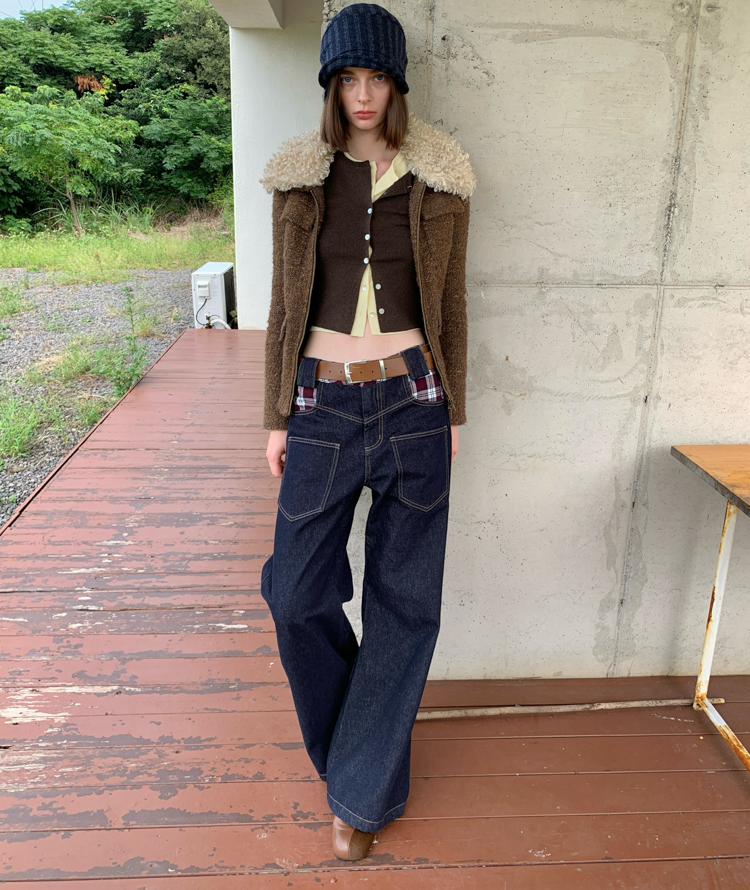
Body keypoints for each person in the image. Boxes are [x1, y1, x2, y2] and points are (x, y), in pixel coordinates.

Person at [259, 2, 474, 861]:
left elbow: (452, 304)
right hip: (321, 403)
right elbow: (283, 306)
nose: (361, 93)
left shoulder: (440, 181)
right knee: (293, 594)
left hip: (415, 398)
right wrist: (275, 415)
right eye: (347, 77)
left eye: (376, 76)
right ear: (329, 86)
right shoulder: (300, 179)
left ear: (396, 85)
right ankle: (358, 741)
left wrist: (453, 411)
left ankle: (360, 792)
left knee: (405, 601)